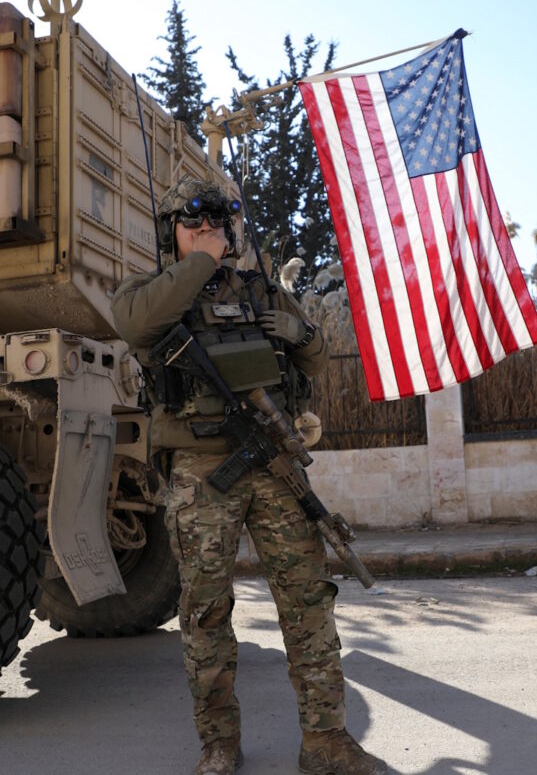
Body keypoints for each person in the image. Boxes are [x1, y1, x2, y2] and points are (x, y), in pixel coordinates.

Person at [111, 177, 387, 775]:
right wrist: (200, 263)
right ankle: (219, 742)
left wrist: (299, 331)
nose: (207, 234)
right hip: (201, 469)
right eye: (193, 227)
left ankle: (327, 741)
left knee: (308, 601)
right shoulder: (152, 292)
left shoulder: (261, 290)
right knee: (205, 609)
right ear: (173, 236)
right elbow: (133, 325)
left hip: (272, 461)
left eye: (216, 228)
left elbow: (313, 359)